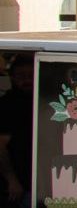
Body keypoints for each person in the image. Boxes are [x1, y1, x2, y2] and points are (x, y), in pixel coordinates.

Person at [0, 58, 33, 205]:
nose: (27, 80)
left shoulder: (44, 101)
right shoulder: (6, 105)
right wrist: (12, 180)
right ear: (12, 77)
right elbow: (1, 145)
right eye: (21, 76)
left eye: (31, 75)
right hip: (17, 186)